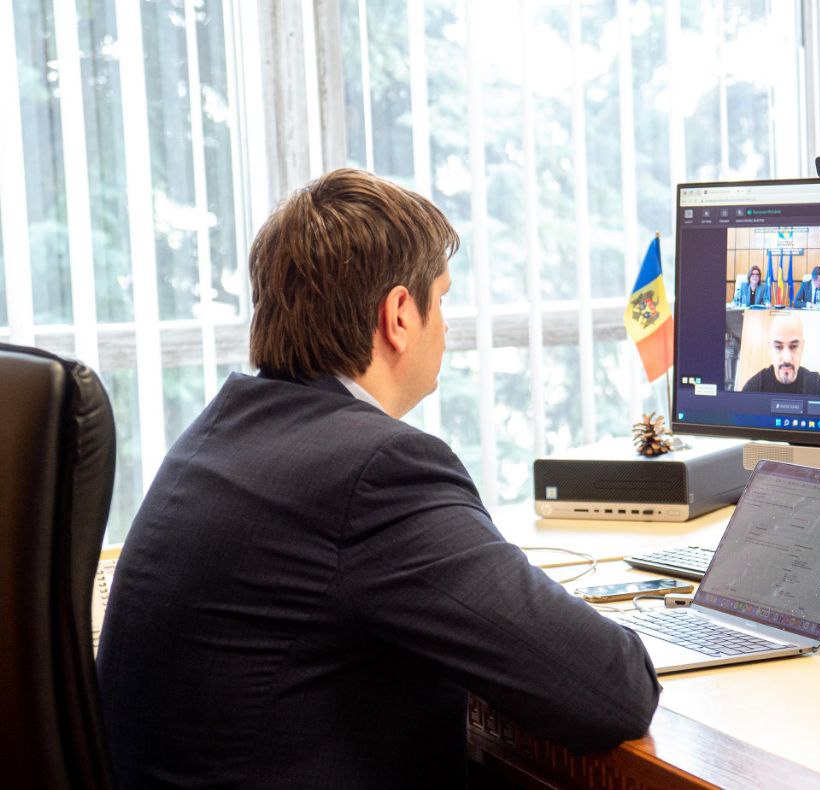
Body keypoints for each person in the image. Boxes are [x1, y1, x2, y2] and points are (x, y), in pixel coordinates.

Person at [96, 169, 661, 787]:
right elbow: (612, 690)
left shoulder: (218, 437)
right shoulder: (374, 472)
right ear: (398, 315)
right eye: (441, 299)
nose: (447, 326)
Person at [741, 314, 820, 395]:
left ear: (802, 347)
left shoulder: (818, 387)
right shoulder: (752, 389)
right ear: (770, 348)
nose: (787, 358)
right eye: (778, 347)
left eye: (794, 346)